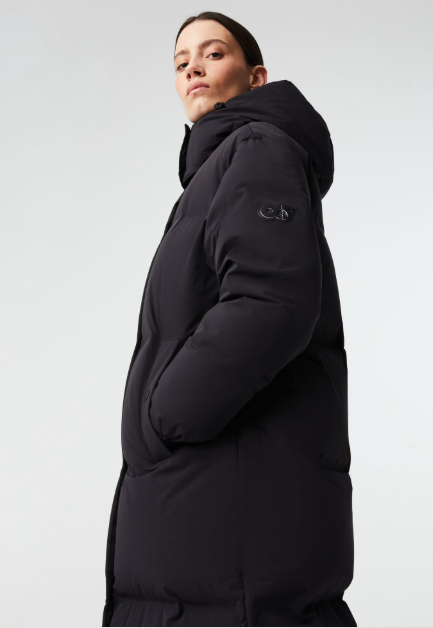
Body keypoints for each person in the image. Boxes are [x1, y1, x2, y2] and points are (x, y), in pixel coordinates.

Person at [102, 11, 356, 628]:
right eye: (181, 61)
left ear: (256, 78)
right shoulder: (219, 170)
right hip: (213, 497)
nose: (193, 67)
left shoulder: (257, 147)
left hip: (226, 498)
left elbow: (270, 301)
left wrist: (164, 417)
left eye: (213, 54)